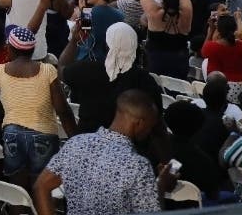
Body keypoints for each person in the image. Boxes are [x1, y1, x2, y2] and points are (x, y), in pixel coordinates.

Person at [0, 26, 76, 190]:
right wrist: (75, 138)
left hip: (13, 135)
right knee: (42, 188)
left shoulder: (0, 72)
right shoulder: (48, 70)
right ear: (32, 50)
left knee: (17, 188)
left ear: (10, 49)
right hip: (44, 136)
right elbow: (62, 110)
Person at [33, 90, 170, 215]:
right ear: (139, 123)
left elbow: (41, 186)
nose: (150, 132)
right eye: (150, 126)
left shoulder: (75, 144)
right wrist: (161, 187)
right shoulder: (138, 165)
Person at [60, 21, 162, 135]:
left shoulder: (86, 69)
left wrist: (74, 41)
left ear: (107, 45)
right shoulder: (145, 80)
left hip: (86, 141)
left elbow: (61, 68)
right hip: (130, 145)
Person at [140, 0, 192, 76]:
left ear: (162, 1)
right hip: (179, 64)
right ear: (178, 1)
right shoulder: (186, 12)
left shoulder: (154, 13)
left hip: (155, 64)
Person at [201, 10, 242, 99]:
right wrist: (238, 19)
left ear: (219, 30)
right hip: (240, 87)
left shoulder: (212, 47)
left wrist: (211, 31)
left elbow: (203, 52)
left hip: (219, 87)